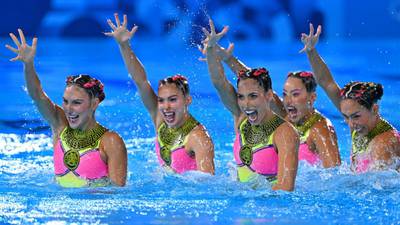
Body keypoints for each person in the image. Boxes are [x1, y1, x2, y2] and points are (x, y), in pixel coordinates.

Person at [6, 29, 127, 187]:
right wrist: (28, 64)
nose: (69, 109)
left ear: (94, 103)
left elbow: (118, 194)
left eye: (76, 103)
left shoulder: (110, 142)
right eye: (66, 101)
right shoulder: (60, 126)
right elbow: (37, 96)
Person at [105, 13, 215, 175]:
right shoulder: (160, 118)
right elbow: (140, 81)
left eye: (173, 100)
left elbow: (209, 186)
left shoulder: (198, 138)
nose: (166, 107)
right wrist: (124, 46)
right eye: (162, 100)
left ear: (187, 100)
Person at [202, 19, 298, 191]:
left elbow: (285, 188)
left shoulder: (284, 133)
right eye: (241, 97)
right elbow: (219, 82)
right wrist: (210, 48)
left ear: (268, 95)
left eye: (253, 96)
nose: (246, 104)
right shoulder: (241, 118)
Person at [301, 23, 400, 172]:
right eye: (346, 117)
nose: (350, 124)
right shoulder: (360, 121)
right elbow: (326, 82)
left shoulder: (384, 143)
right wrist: (311, 51)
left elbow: (375, 190)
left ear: (374, 109)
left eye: (355, 116)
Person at [283, 71, 341, 167]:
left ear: (312, 97)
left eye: (295, 94)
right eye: (285, 94)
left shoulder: (321, 129)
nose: (288, 101)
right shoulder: (287, 122)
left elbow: (334, 173)